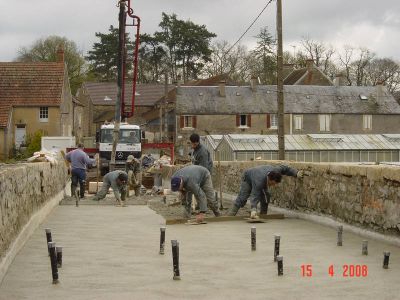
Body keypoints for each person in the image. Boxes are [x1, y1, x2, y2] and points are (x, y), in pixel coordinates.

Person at [228, 165, 304, 219]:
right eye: (273, 183)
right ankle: (230, 216)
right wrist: (253, 210)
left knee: (266, 197)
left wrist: (296, 173)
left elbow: (285, 168)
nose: (273, 185)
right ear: (269, 179)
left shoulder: (276, 171)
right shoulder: (259, 181)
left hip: (259, 176)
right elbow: (255, 195)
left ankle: (263, 215)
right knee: (242, 198)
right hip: (248, 178)